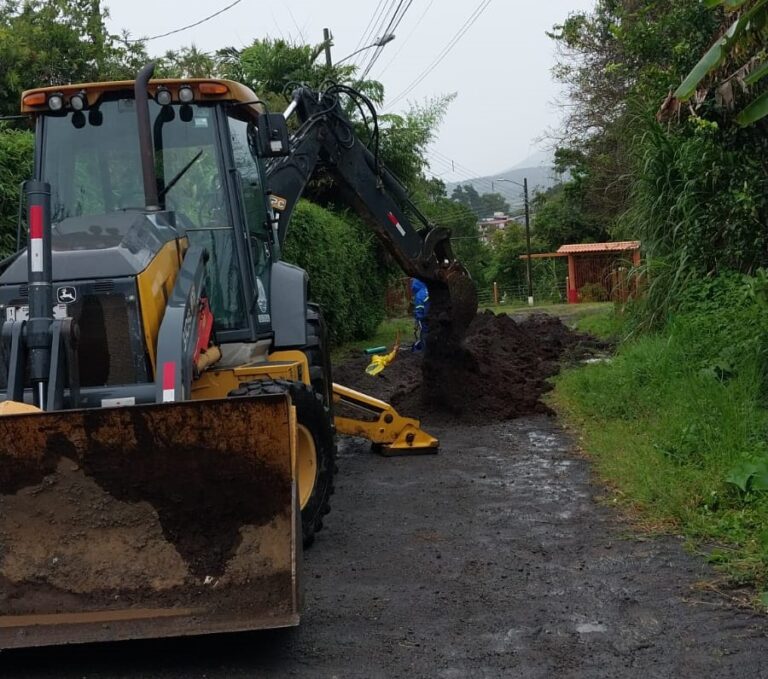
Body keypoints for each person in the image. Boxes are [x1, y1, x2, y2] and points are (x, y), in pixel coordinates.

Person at [410, 278, 429, 351]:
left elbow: (419, 310)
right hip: (434, 318)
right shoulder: (429, 290)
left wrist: (418, 321)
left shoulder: (419, 294)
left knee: (425, 334)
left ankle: (424, 352)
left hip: (425, 319)